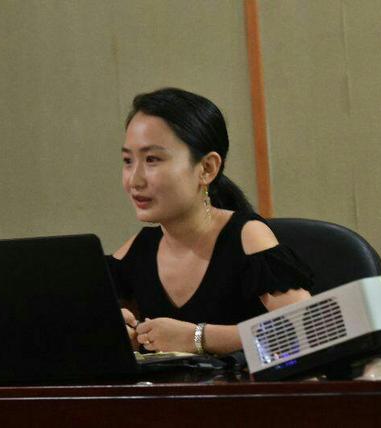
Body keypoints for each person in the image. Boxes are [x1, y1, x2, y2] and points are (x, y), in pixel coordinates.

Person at [106, 88, 313, 355]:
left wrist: (197, 337)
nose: (134, 180)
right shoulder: (138, 249)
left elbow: (306, 330)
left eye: (152, 160)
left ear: (207, 168)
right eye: (127, 161)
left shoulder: (248, 235)